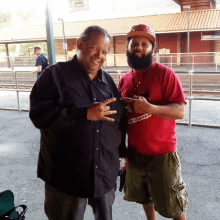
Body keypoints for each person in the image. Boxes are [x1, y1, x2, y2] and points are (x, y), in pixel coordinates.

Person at [29, 26, 127, 220]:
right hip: (67, 177)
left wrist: (123, 154)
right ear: (79, 44)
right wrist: (84, 114)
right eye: (94, 48)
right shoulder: (53, 76)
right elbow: (39, 116)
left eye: (105, 52)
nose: (100, 56)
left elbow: (118, 121)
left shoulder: (107, 81)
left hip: (104, 173)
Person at [118, 24, 188, 220]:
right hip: (134, 153)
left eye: (144, 44)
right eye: (134, 44)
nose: (138, 47)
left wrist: (150, 108)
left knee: (174, 204)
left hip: (162, 154)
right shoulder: (124, 80)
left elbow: (180, 111)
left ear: (152, 49)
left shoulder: (165, 74)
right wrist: (121, 150)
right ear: (128, 49)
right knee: (144, 198)